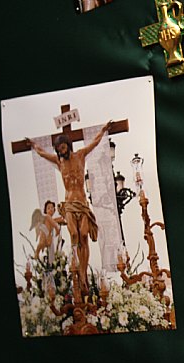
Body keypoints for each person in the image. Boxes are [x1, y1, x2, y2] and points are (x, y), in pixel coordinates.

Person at [27, 121, 112, 294]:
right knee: (74, 235)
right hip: (69, 205)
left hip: (82, 204)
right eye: (59, 149)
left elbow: (94, 143)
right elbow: (42, 153)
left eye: (63, 148)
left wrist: (103, 130)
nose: (61, 151)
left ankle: (84, 274)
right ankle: (78, 271)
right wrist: (33, 145)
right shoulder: (59, 162)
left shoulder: (80, 155)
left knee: (84, 235)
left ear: (68, 145)